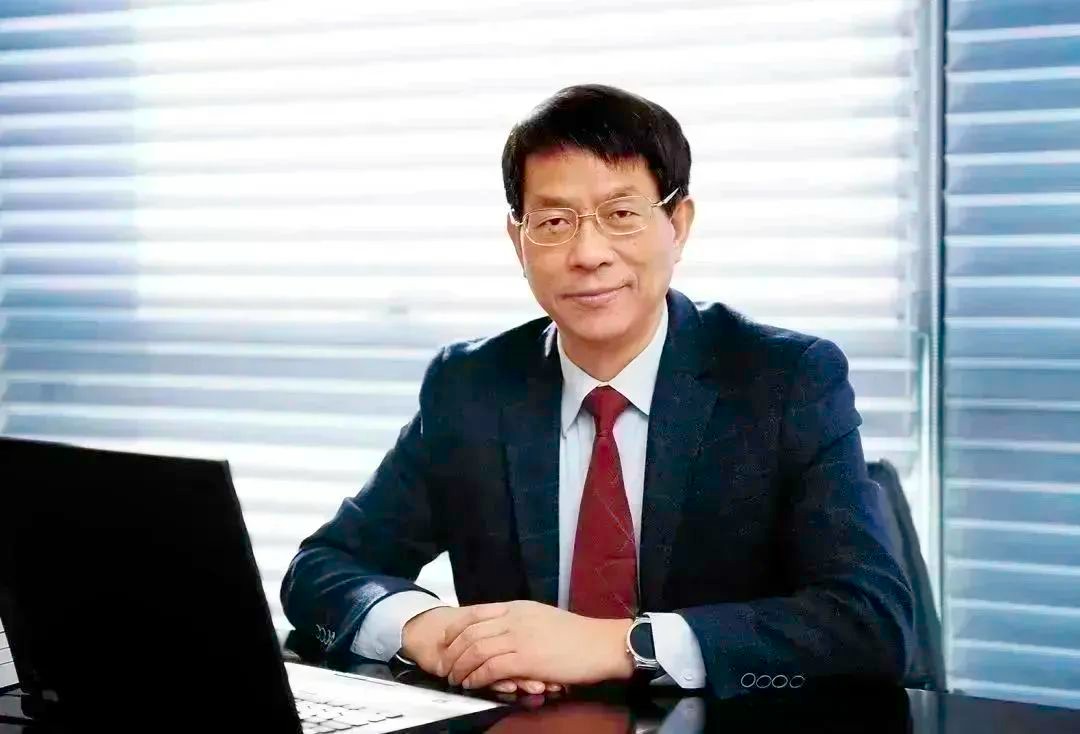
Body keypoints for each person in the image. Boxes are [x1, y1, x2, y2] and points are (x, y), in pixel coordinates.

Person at [281, 84, 914, 699]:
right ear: (518, 242)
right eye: (554, 221)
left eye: (621, 215)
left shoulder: (784, 380)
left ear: (678, 224)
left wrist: (620, 646)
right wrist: (432, 631)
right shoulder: (472, 387)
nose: (588, 253)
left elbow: (870, 623)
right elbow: (324, 568)